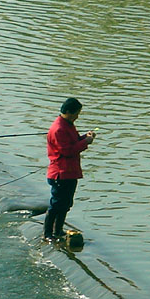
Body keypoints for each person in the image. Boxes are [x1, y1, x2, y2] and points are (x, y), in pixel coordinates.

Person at [44, 97, 96, 241]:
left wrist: (85, 137)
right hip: (60, 173)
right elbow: (67, 151)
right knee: (56, 204)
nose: (77, 117)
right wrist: (86, 142)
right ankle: (48, 234)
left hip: (70, 172)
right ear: (67, 112)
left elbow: (73, 142)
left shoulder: (68, 124)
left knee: (66, 204)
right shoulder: (59, 129)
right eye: (76, 114)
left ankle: (58, 230)